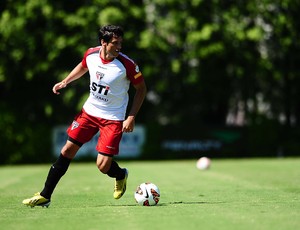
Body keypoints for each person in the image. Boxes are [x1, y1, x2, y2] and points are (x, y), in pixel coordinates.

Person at [22, 25, 147, 207]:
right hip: (89, 113)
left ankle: (120, 175)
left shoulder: (127, 65)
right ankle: (45, 196)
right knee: (67, 151)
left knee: (103, 165)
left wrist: (131, 116)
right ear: (103, 42)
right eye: (114, 43)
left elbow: (142, 89)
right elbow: (82, 67)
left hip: (113, 118)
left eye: (121, 43)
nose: (119, 47)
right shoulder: (91, 54)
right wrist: (65, 81)